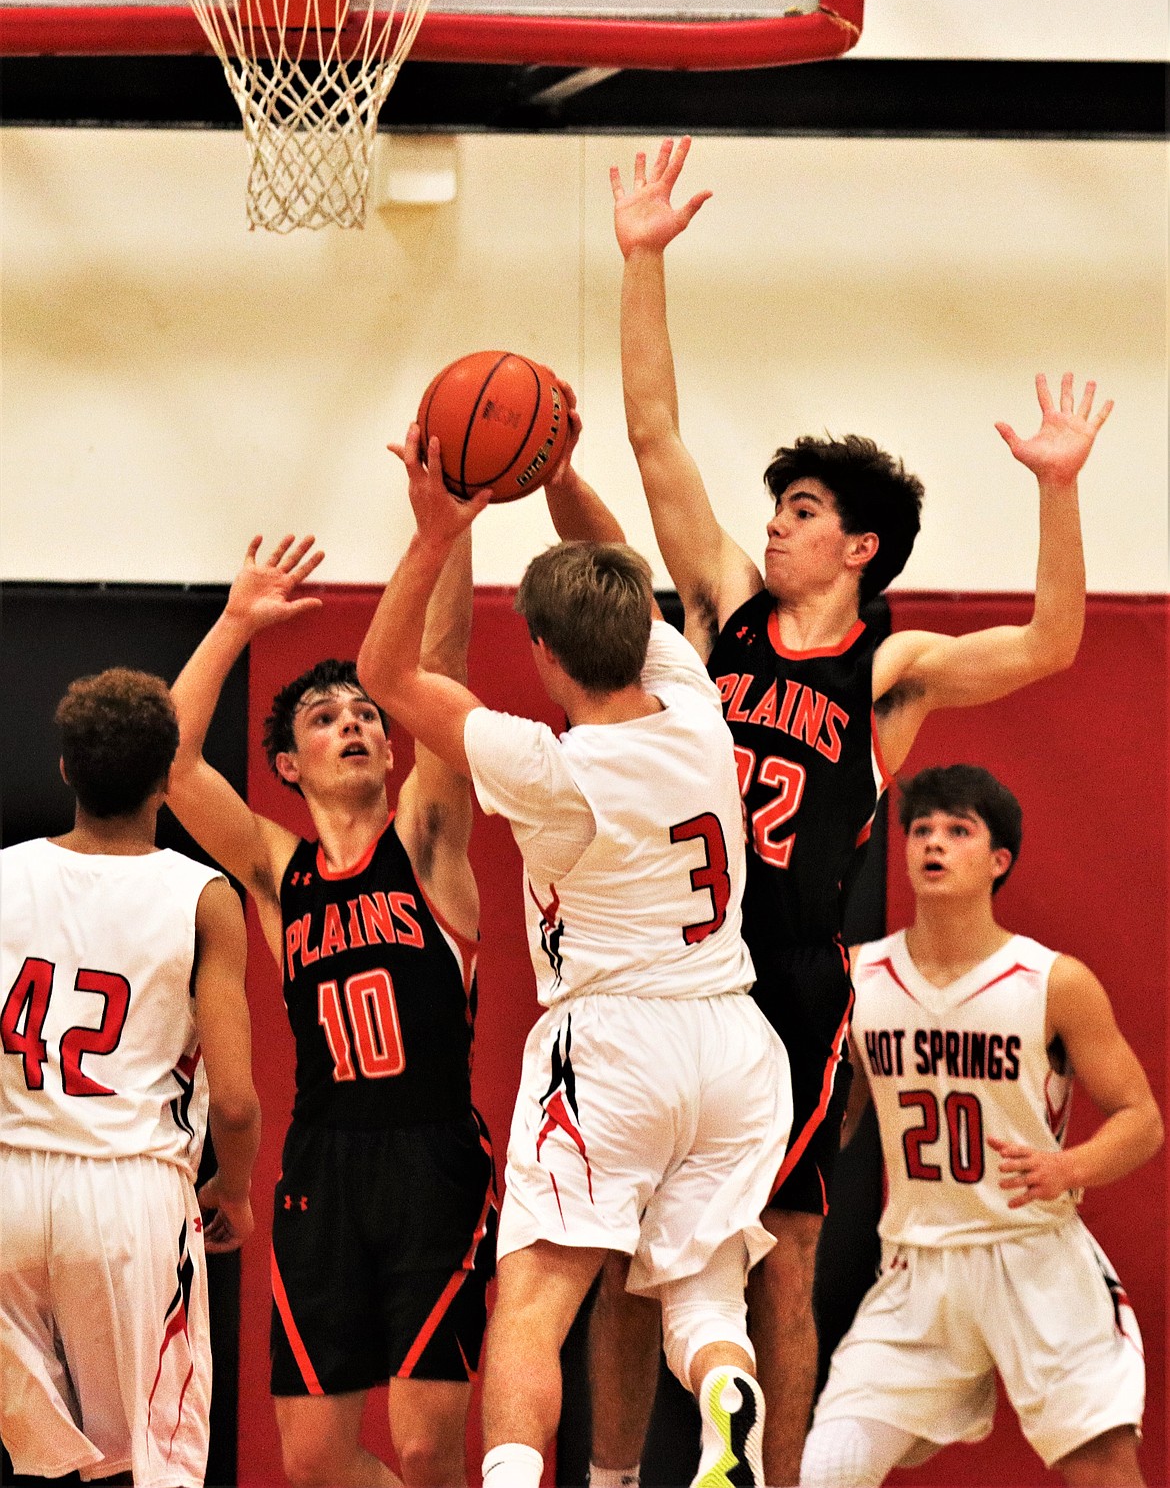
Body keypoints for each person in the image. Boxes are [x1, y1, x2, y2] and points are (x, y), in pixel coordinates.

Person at [593, 135, 1117, 1487]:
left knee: (784, 1239)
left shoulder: (886, 670)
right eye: (776, 503)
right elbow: (651, 433)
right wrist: (640, 259)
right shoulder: (716, 606)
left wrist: (1057, 489)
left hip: (787, 969)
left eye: (803, 509)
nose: (775, 524)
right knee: (622, 1232)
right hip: (669, 952)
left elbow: (1053, 643)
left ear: (859, 545)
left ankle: (765, 1469)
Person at [354, 425, 794, 1488]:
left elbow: (384, 671)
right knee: (700, 1296)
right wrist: (559, 473)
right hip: (734, 1042)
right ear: (641, 631)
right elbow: (629, 591)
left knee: (535, 1301)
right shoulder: (698, 707)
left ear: (544, 654)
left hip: (611, 1044)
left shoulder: (551, 768)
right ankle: (729, 1401)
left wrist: (435, 533)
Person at [165, 530, 496, 1488]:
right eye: (324, 717)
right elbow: (178, 763)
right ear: (286, 764)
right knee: (313, 1461)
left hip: (433, 1153)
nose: (354, 723)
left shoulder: (427, 838)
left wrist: (449, 526)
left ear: (394, 743)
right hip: (322, 1163)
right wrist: (233, 622)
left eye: (366, 713)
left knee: (430, 1448)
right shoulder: (279, 872)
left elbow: (441, 665)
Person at [800, 763, 1161, 1487]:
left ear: (999, 859)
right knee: (826, 1470)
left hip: (1036, 1257)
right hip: (916, 1268)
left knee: (1105, 1472)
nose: (934, 843)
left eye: (958, 830)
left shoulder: (1052, 980)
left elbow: (1142, 1119)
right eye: (921, 829)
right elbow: (839, 1122)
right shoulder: (865, 976)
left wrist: (1069, 1167)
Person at [0, 667, 261, 1486]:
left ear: (67, 768)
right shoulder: (203, 895)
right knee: (153, 1460)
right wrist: (237, 1189)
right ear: (166, 778)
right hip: (128, 1190)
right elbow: (240, 1100)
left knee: (51, 1461)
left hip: (9, 1180)